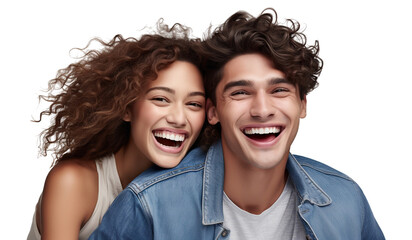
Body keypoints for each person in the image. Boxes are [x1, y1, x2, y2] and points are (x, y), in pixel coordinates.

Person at [90, 9, 385, 240]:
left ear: (302, 104)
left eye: (279, 90)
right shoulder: (149, 205)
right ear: (213, 111)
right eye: (240, 92)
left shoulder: (346, 199)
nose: (262, 109)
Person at [27, 21, 206, 240]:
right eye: (161, 99)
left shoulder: (193, 187)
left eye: (194, 104)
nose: (179, 118)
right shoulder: (73, 181)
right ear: (126, 107)